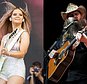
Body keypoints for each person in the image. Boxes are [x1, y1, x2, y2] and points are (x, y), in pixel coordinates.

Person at [49, 3, 87, 84]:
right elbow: (53, 50)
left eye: (76, 14)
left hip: (83, 76)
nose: (74, 16)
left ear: (81, 16)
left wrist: (85, 40)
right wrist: (53, 54)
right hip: (66, 77)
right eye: (71, 15)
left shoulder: (85, 31)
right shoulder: (63, 36)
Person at [0, 1, 31, 84]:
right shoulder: (5, 37)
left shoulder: (24, 34)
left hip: (16, 70)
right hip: (3, 70)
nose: (17, 16)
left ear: (23, 19)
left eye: (20, 15)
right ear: (10, 18)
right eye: (15, 14)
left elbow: (22, 53)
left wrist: (8, 53)